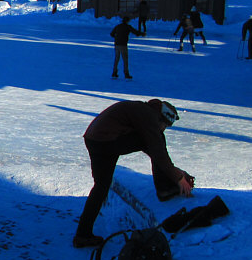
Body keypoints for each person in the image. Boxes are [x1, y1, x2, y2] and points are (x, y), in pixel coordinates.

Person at [74, 99, 194, 248]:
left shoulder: (142, 110)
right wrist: (179, 177)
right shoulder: (148, 116)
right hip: (107, 141)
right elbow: (157, 150)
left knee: (101, 186)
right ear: (162, 118)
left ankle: (82, 235)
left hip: (95, 140)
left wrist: (176, 172)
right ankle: (166, 189)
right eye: (165, 125)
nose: (164, 129)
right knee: (156, 141)